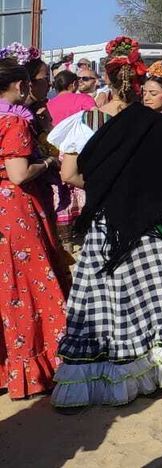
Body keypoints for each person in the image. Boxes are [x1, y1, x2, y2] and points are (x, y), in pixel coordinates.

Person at [49, 37, 162, 407]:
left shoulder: (88, 120)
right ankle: (159, 372)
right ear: (142, 86)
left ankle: (108, 380)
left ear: (107, 82)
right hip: (151, 228)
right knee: (155, 300)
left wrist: (108, 191)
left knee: (107, 303)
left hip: (106, 225)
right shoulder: (159, 127)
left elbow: (70, 173)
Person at [0, 57, 70, 399]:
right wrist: (46, 162)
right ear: (18, 85)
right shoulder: (12, 120)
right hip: (16, 207)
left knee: (7, 283)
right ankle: (39, 366)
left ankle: (9, 367)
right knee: (29, 281)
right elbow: (18, 173)